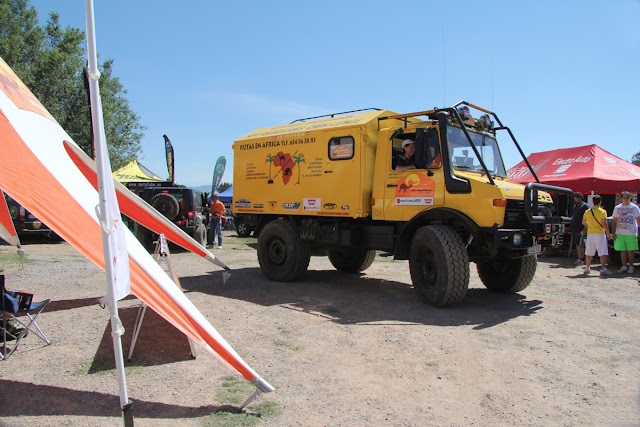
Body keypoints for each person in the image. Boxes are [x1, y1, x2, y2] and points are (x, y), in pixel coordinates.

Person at [582, 194, 612, 276]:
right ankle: (603, 268)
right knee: (602, 252)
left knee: (589, 251)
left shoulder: (588, 211)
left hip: (591, 233)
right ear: (600, 202)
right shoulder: (602, 211)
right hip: (600, 234)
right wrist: (608, 234)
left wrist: (591, 224)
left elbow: (584, 222)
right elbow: (604, 223)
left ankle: (587, 267)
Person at [612, 191, 640, 274]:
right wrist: (613, 233)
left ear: (630, 198)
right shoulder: (617, 208)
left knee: (631, 250)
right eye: (624, 197)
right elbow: (614, 221)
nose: (626, 199)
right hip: (620, 232)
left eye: (627, 197)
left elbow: (638, 220)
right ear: (621, 198)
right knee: (622, 250)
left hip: (631, 232)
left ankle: (631, 266)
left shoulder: (634, 208)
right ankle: (624, 266)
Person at [571, 192, 589, 265]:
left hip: (582, 228)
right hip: (575, 228)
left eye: (576, 198)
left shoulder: (585, 206)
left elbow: (588, 218)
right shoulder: (574, 207)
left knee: (582, 244)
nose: (575, 200)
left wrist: (585, 227)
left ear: (580, 198)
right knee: (577, 243)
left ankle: (582, 258)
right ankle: (580, 257)